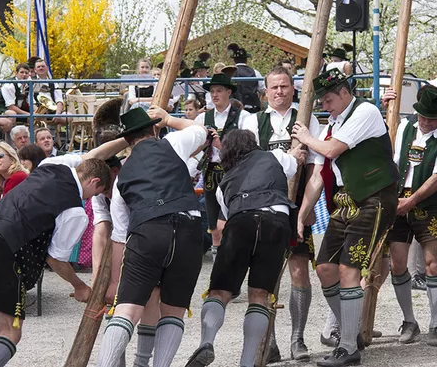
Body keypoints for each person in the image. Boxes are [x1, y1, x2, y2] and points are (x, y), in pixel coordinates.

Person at [0, 138, 126, 367]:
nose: (92, 199)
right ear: (94, 181)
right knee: (10, 332)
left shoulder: (53, 165)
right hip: (3, 252)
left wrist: (127, 138)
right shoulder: (75, 211)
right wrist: (80, 286)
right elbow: (56, 259)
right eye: (96, 193)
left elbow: (93, 154)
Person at [292, 68, 398, 366]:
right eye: (322, 103)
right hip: (346, 200)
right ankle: (351, 332)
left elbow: (331, 149)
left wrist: (305, 136)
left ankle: (348, 346)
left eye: (327, 100)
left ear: (344, 92)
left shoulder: (365, 111)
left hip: (375, 197)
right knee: (325, 268)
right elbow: (318, 177)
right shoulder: (334, 122)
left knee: (349, 271)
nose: (325, 108)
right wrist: (302, 214)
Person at [96, 107, 208, 367]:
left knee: (127, 309)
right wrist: (170, 119)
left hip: (148, 232)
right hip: (189, 229)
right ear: (154, 130)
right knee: (173, 310)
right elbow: (201, 130)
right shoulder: (173, 143)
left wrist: (115, 283)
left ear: (129, 140)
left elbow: (119, 238)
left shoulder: (122, 176)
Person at [185, 129, 305, 367]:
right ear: (253, 144)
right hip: (276, 221)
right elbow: (296, 160)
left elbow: (226, 220)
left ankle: (206, 341)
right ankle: (247, 362)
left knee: (219, 292)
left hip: (241, 220)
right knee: (259, 296)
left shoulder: (223, 184)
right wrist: (296, 150)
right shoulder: (274, 157)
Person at [241, 65, 322, 361]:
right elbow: (247, 165)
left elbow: (315, 168)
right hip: (264, 206)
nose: (279, 92)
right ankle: (269, 340)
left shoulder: (306, 119)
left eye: (284, 86)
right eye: (273, 87)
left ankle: (297, 339)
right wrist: (285, 158)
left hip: (297, 204)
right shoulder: (252, 121)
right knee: (266, 273)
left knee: (299, 271)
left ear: (293, 89)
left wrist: (306, 209)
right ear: (265, 92)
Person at [385, 86, 437, 347]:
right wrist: (386, 106)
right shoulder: (404, 127)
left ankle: (435, 324)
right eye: (424, 117)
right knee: (397, 264)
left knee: (433, 264)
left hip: (426, 205)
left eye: (432, 118)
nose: (426, 122)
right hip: (397, 201)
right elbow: (390, 158)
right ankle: (409, 320)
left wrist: (412, 200)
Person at [194, 69, 251, 252]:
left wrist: (221, 146)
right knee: (213, 222)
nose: (215, 95)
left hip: (235, 170)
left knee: (231, 218)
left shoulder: (243, 117)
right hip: (211, 171)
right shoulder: (203, 117)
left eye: (219, 90)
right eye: (212, 91)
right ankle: (218, 258)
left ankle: (234, 255)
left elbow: (248, 149)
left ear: (229, 92)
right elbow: (194, 148)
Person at [227, 43, 264, 113]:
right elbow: (262, 89)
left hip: (235, 109)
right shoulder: (255, 72)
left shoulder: (229, 73)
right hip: (253, 108)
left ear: (234, 60)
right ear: (246, 60)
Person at [32, 58, 67, 126]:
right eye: (38, 67)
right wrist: (38, 112)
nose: (41, 68)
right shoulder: (31, 83)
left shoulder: (54, 83)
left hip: (52, 111)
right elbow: (30, 101)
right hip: (37, 110)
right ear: (35, 70)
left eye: (43, 66)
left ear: (47, 68)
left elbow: (59, 101)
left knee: (69, 116)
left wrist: (57, 114)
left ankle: (52, 133)